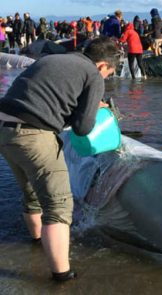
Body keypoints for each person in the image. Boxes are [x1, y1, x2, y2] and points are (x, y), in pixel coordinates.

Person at [0, 36, 120, 281]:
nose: (106, 78)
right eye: (110, 73)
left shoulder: (55, 58)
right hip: (33, 134)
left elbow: (46, 98)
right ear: (102, 66)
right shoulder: (93, 74)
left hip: (4, 127)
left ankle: (36, 243)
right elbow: (82, 129)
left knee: (32, 193)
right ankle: (62, 276)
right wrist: (97, 108)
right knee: (58, 207)